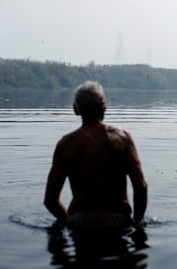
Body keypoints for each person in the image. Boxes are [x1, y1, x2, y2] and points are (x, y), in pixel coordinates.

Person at [44, 81, 148, 229]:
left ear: (75, 109)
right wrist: (137, 223)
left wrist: (69, 222)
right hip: (118, 221)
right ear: (104, 107)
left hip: (79, 222)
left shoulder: (65, 145)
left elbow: (50, 200)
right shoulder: (122, 139)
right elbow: (141, 186)